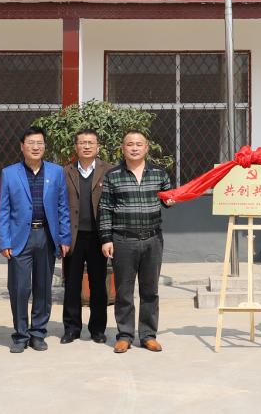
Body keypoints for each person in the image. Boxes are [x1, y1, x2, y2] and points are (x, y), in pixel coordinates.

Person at [0, 125, 71, 353]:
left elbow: (63, 207)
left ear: (45, 146)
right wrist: (4, 241)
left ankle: (38, 333)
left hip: (47, 236)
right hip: (20, 238)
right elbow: (3, 210)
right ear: (22, 147)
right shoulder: (9, 173)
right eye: (31, 143)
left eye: (40, 143)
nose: (36, 147)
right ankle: (20, 335)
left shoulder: (56, 172)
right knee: (19, 288)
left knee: (43, 287)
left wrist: (64, 238)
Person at [99, 130, 175, 353]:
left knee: (150, 290)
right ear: (123, 148)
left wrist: (173, 198)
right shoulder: (113, 175)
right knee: (123, 291)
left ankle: (148, 335)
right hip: (123, 240)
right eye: (130, 144)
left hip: (153, 239)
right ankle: (124, 335)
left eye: (138, 144)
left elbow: (168, 200)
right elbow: (105, 209)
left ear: (146, 147)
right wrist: (106, 239)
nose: (134, 148)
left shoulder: (159, 174)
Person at [62, 129, 114, 344]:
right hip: (73, 237)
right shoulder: (65, 171)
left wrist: (109, 236)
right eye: (82, 142)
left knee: (98, 284)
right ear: (75, 147)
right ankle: (71, 328)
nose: (86, 146)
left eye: (90, 142)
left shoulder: (108, 170)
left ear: (98, 146)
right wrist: (62, 237)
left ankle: (98, 329)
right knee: (71, 284)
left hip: (98, 237)